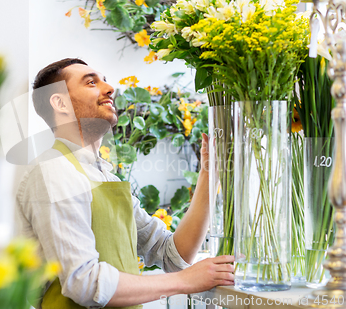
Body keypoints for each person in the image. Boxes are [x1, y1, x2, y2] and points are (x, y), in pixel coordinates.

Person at [15, 58, 234, 309]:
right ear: (60, 102)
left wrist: (209, 173)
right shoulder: (53, 171)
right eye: (91, 82)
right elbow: (83, 283)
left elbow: (172, 254)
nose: (109, 88)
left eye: (105, 80)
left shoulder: (105, 177)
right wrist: (183, 281)